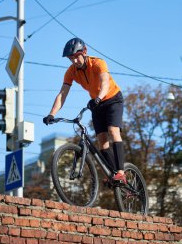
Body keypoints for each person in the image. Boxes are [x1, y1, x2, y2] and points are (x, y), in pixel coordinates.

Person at [43, 37, 126, 184]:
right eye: (70, 59)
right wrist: (52, 114)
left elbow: (105, 83)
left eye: (76, 57)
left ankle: (121, 172)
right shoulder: (71, 72)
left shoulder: (98, 63)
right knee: (102, 141)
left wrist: (99, 98)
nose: (74, 61)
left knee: (113, 131)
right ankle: (112, 173)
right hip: (97, 104)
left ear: (84, 52)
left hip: (113, 99)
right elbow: (62, 94)